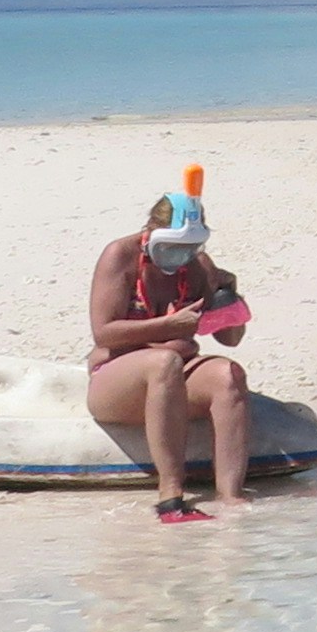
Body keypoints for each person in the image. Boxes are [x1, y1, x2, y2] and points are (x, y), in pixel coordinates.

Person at [88, 188, 251, 518]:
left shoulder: (196, 265)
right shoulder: (119, 256)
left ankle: (231, 496)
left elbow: (230, 338)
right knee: (164, 362)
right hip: (119, 380)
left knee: (228, 374)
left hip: (177, 378)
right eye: (170, 247)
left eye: (190, 248)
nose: (180, 255)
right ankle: (170, 494)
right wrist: (170, 325)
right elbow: (104, 332)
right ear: (150, 232)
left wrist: (227, 296)